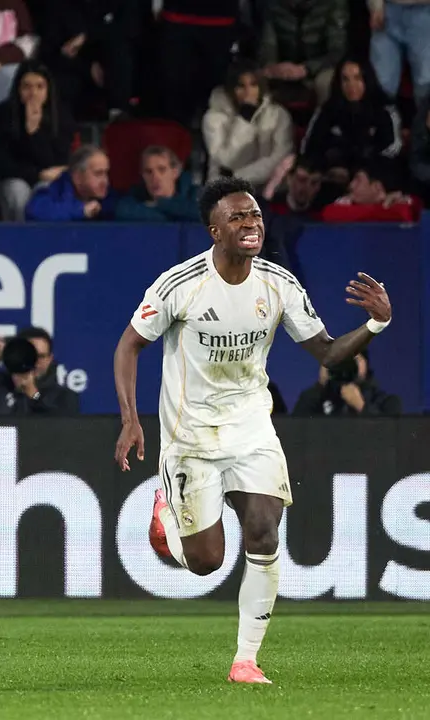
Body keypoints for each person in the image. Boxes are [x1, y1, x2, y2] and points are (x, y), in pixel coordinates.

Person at [112, 176, 392, 685]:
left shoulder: (278, 284)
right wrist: (131, 418)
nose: (251, 224)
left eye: (256, 215)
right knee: (205, 561)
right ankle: (165, 526)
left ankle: (246, 660)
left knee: (264, 531)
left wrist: (374, 326)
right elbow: (128, 346)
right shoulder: (180, 284)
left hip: (251, 428)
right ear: (213, 230)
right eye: (237, 217)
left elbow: (327, 351)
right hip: (190, 435)